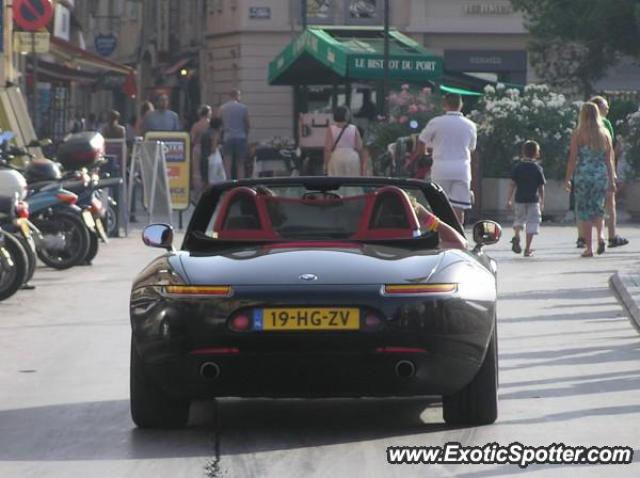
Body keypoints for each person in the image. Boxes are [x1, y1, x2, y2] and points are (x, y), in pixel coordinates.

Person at [416, 93, 477, 225]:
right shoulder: (470, 125)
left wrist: (424, 154)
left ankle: (441, 235)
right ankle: (458, 236)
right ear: (461, 105)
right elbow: (471, 148)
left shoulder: (436, 122)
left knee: (439, 204)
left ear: (445, 105)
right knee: (459, 207)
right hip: (462, 168)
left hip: (441, 167)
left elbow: (422, 140)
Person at [564, 102, 616, 257]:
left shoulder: (579, 133)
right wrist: (612, 179)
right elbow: (609, 159)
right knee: (598, 208)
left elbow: (573, 158)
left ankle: (589, 248)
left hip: (583, 175)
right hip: (600, 174)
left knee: (584, 211)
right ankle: (601, 236)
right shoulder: (605, 133)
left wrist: (568, 178)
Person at [590, 95, 629, 248]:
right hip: (602, 168)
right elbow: (610, 150)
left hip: (586, 170)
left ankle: (583, 237)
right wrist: (612, 170)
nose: (608, 109)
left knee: (587, 204)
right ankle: (611, 236)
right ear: (597, 107)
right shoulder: (604, 124)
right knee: (609, 203)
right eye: (605, 106)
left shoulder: (582, 125)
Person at [505, 140, 546, 257]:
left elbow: (512, 184)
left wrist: (508, 199)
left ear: (523, 152)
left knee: (519, 219)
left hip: (519, 199)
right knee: (532, 222)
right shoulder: (537, 168)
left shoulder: (518, 167)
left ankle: (517, 235)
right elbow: (541, 187)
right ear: (536, 154)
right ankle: (527, 249)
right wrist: (542, 201)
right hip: (533, 200)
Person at [323, 105, 365, 176]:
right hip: (352, 158)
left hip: (336, 157)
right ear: (347, 116)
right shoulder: (354, 128)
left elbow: (327, 149)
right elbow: (360, 147)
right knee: (351, 182)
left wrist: (326, 166)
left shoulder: (331, 129)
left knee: (336, 181)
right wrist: (362, 166)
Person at [219, 89, 250, 179]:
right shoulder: (243, 108)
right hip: (241, 137)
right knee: (240, 164)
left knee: (227, 163)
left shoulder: (222, 108)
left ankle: (228, 184)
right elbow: (247, 124)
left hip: (227, 137)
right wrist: (246, 135)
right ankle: (240, 184)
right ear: (237, 96)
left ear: (229, 96)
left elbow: (219, 123)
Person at [190, 105, 213, 192]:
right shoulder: (210, 124)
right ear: (208, 113)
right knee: (208, 169)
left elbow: (192, 139)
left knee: (196, 170)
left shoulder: (196, 125)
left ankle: (197, 190)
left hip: (198, 147)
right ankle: (208, 188)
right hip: (209, 148)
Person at [200, 116, 224, 185]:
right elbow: (213, 149)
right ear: (219, 126)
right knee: (213, 179)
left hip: (203, 158)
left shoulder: (205, 132)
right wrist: (219, 147)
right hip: (211, 160)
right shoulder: (215, 134)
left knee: (205, 180)